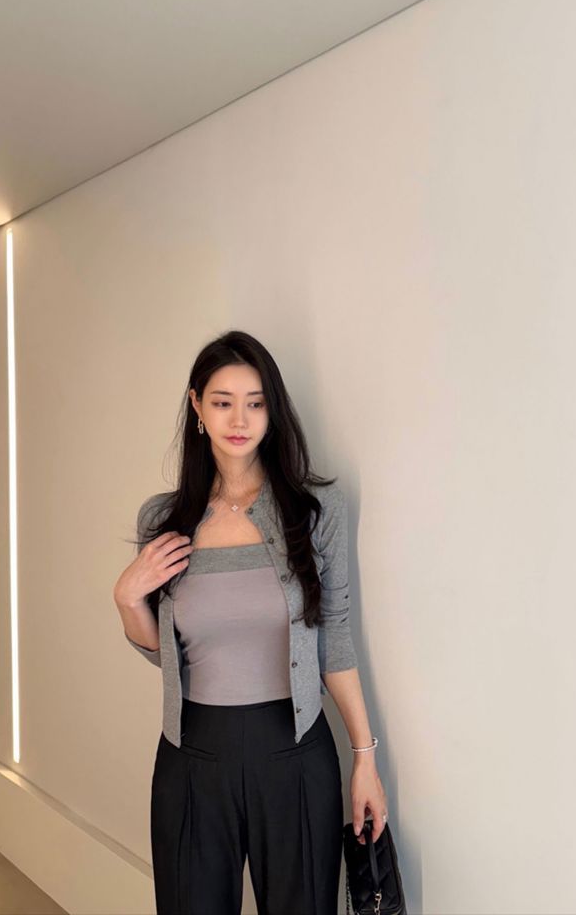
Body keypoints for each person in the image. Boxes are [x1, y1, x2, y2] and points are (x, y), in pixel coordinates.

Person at [113, 329, 388, 915]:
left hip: (294, 754)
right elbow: (166, 653)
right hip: (191, 755)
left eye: (256, 402)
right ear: (197, 406)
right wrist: (128, 599)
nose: (240, 419)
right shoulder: (164, 519)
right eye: (223, 402)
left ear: (272, 410)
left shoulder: (315, 511)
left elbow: (334, 638)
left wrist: (365, 759)